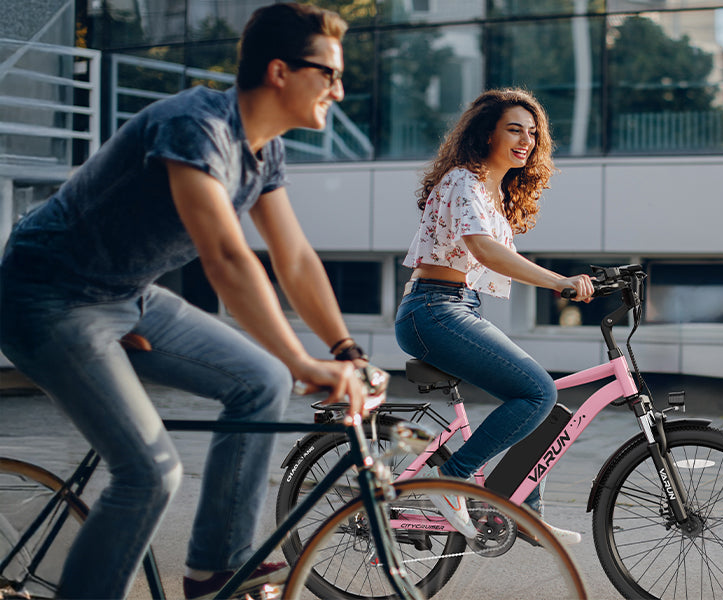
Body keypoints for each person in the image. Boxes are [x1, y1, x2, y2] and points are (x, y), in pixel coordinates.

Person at [0, 4, 372, 599]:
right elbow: (226, 259)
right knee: (149, 473)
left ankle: (216, 570)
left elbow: (296, 259)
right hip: (46, 298)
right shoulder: (196, 125)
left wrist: (344, 349)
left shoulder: (263, 149)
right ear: (279, 71)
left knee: (262, 381)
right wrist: (305, 361)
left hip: (124, 295)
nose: (340, 90)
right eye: (329, 74)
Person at [395, 88, 594, 545]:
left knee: (540, 404)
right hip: (433, 309)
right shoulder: (463, 181)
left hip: (457, 307)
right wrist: (559, 282)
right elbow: (485, 251)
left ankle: (522, 507)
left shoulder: (493, 192)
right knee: (538, 391)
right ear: (488, 134)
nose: (526, 140)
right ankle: (454, 478)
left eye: (533, 133)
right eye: (514, 130)